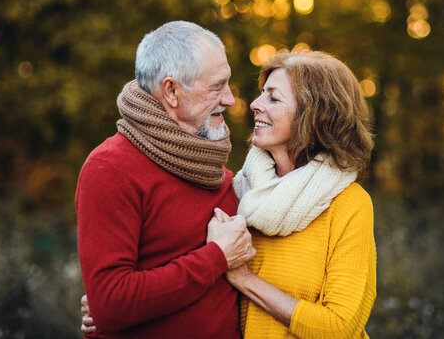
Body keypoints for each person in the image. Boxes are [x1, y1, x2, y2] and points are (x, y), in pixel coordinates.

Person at [82, 48, 377, 338]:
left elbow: (339, 327)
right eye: (262, 93)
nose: (254, 104)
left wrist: (246, 281)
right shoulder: (240, 191)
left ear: (315, 114)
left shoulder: (348, 204)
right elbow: (184, 276)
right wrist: (108, 305)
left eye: (273, 97)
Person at [75, 21, 256, 339]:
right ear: (171, 91)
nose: (229, 99)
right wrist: (215, 256)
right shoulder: (110, 169)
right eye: (217, 86)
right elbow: (112, 303)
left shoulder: (221, 175)